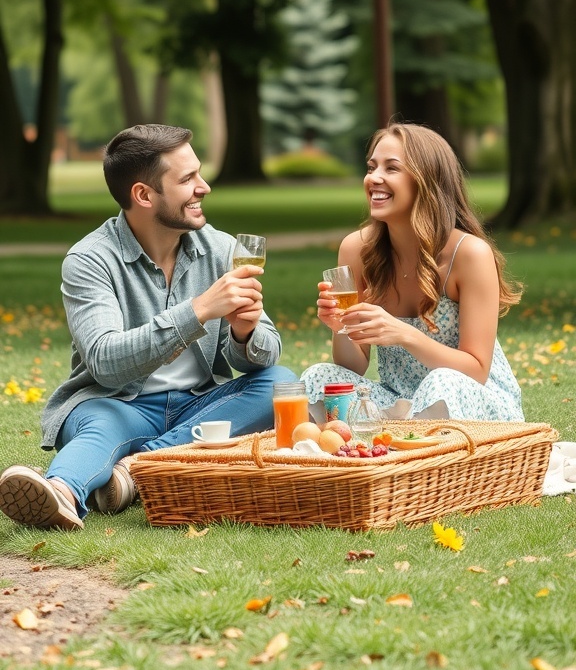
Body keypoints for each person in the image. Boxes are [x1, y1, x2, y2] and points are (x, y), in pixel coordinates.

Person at [0, 124, 296, 531]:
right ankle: (61, 493)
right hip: (116, 403)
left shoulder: (222, 249)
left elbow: (265, 354)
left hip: (198, 404)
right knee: (102, 427)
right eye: (187, 179)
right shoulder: (90, 260)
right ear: (143, 195)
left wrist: (245, 334)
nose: (204, 187)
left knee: (281, 384)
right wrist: (198, 311)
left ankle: (135, 468)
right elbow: (105, 362)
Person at [301, 122, 524, 424]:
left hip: (468, 397)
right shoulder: (355, 250)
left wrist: (404, 334)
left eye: (391, 168)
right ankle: (390, 442)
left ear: (426, 181)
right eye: (371, 167)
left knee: (442, 381)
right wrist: (340, 327)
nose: (373, 178)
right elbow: (353, 365)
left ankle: (409, 443)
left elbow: (476, 370)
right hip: (400, 403)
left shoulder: (470, 254)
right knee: (319, 378)